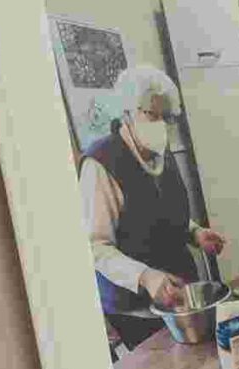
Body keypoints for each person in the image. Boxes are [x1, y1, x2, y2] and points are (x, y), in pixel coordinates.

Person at [82, 65, 225, 351]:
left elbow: (164, 212)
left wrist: (195, 232)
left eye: (167, 117)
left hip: (178, 298)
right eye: (152, 115)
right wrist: (146, 276)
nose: (161, 125)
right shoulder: (101, 163)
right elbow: (96, 247)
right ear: (127, 114)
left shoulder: (161, 152)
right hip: (135, 310)